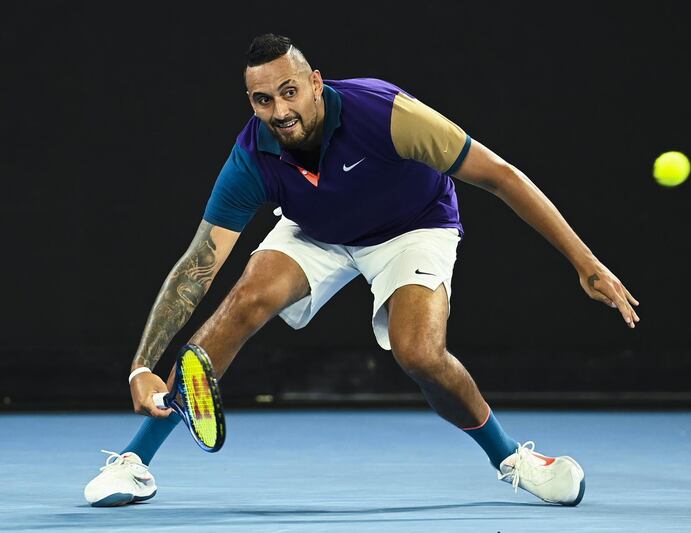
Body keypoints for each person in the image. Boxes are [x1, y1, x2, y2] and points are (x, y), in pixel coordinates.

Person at [84, 34, 639, 508]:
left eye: (289, 91)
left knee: (418, 352)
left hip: (414, 226)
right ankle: (137, 459)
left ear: (316, 83)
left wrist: (584, 262)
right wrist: (141, 365)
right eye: (262, 100)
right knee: (246, 298)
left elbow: (501, 176)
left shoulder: (387, 114)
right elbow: (198, 267)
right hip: (318, 228)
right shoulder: (252, 155)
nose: (279, 111)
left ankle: (513, 459)